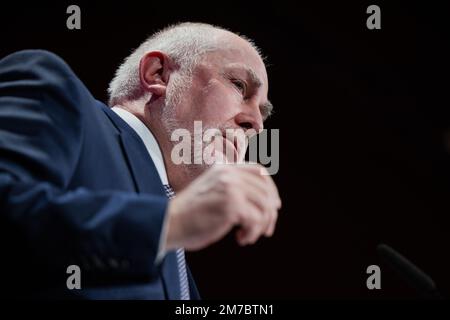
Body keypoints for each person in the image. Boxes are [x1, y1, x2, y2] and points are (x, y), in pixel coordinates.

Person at [0, 22, 281, 299]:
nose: (256, 124)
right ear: (158, 74)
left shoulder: (180, 265)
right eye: (239, 85)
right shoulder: (55, 93)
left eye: (263, 113)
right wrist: (171, 223)